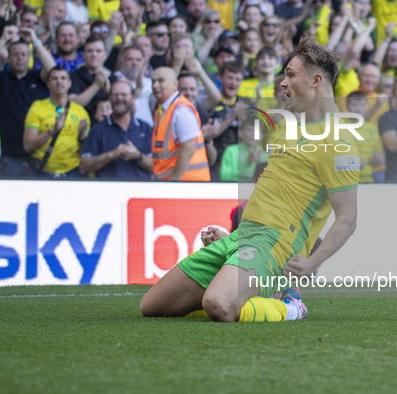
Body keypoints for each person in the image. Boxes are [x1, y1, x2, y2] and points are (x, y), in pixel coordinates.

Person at [140, 37, 360, 322]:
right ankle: (238, 281)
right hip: (243, 237)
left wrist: (310, 263)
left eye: (290, 75)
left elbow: (348, 218)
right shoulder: (292, 127)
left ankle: (291, 306)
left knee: (218, 304)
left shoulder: (338, 141)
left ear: (316, 80)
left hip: (277, 244)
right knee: (153, 306)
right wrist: (236, 238)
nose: (282, 83)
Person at [0, 25, 56, 177]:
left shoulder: (37, 77)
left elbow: (52, 70)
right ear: (8, 58)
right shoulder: (2, 78)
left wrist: (35, 40)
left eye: (24, 54)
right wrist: (3, 39)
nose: (20, 57)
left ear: (29, 58)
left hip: (39, 150)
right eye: (15, 55)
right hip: (8, 152)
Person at [23, 66, 90, 178]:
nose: (59, 81)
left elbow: (86, 154)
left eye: (63, 78)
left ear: (69, 83)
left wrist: (82, 138)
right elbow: (28, 146)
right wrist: (52, 131)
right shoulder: (37, 107)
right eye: (54, 78)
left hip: (72, 173)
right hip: (42, 172)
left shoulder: (81, 112)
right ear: (48, 84)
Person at [79, 79, 153, 179]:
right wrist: (111, 155)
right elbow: (83, 167)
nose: (119, 98)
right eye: (115, 94)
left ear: (133, 98)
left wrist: (138, 155)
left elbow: (156, 166)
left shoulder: (145, 128)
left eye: (124, 94)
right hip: (108, 191)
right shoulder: (98, 129)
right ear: (109, 98)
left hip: (139, 192)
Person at [151, 66, 210, 181]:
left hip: (188, 184)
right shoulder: (161, 111)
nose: (155, 85)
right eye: (153, 81)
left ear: (175, 84)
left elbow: (188, 148)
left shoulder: (181, 110)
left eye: (161, 81)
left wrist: (174, 182)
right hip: (175, 183)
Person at [219, 117, 268, 182]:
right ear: (241, 133)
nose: (253, 134)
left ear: (261, 136)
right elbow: (224, 176)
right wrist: (248, 163)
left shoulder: (265, 156)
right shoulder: (231, 151)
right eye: (249, 130)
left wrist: (258, 164)